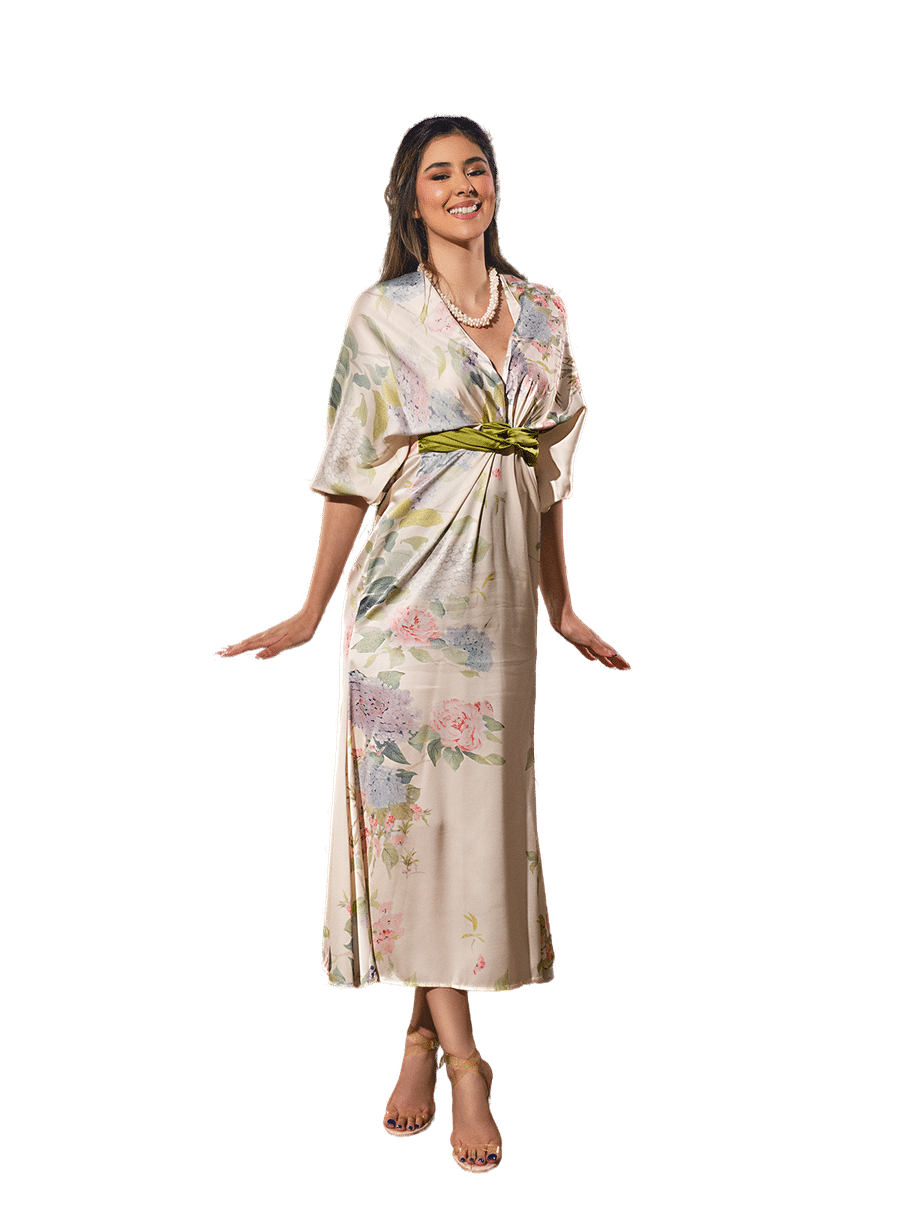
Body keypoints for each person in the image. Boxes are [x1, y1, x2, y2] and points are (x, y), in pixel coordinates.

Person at [215, 114, 632, 1175]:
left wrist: (564, 605)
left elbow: (550, 475)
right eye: (438, 173)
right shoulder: (383, 313)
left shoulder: (544, 311)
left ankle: (412, 1036)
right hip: (401, 608)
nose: (461, 185)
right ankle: (466, 1062)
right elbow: (351, 467)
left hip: (498, 616)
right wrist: (311, 609)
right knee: (412, 833)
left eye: (475, 168)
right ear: (410, 199)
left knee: (465, 832)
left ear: (496, 186)